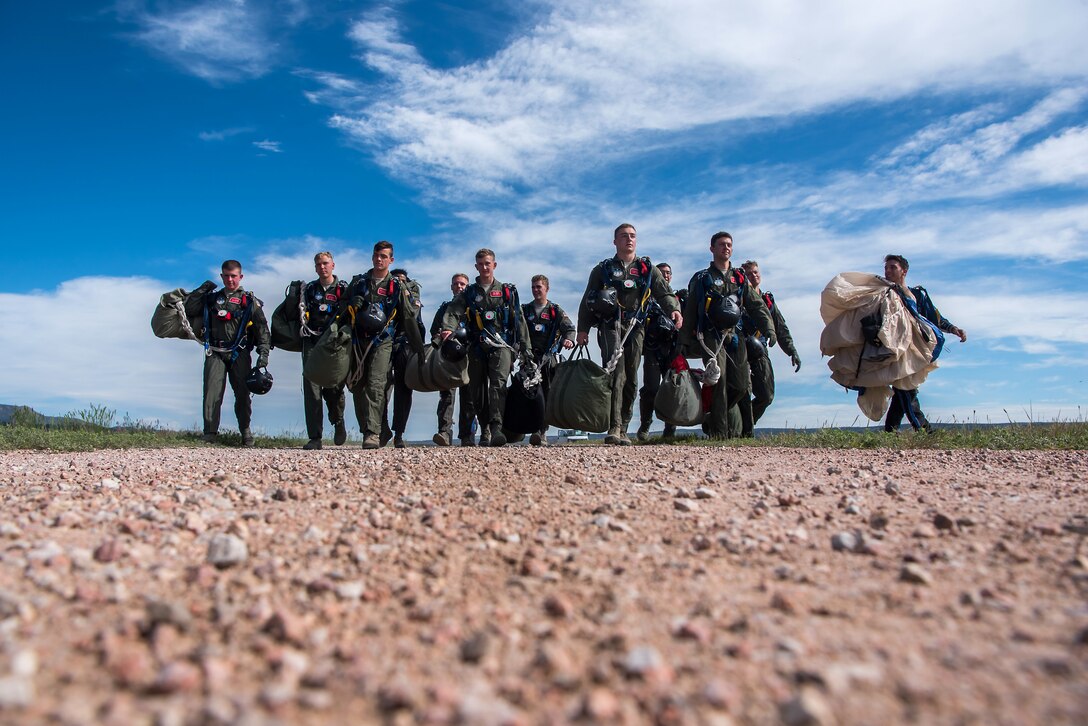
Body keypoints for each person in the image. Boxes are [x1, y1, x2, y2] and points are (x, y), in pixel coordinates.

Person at [576, 224, 682, 445]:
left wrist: (674, 309)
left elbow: (664, 292)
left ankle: (624, 426)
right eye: (623, 236)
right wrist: (582, 329)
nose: (629, 240)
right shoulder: (603, 269)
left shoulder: (646, 269)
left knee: (632, 378)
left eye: (632, 236)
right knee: (617, 374)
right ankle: (614, 427)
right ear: (615, 241)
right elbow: (587, 300)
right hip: (610, 326)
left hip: (636, 327)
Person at [680, 232, 775, 439]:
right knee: (719, 383)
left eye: (729, 244)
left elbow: (757, 306)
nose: (726, 248)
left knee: (741, 386)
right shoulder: (702, 278)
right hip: (711, 336)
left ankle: (712, 417)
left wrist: (769, 329)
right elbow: (690, 311)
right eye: (721, 244)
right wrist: (684, 341)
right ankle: (719, 433)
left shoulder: (739, 278)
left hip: (735, 336)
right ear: (712, 248)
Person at [439, 248, 531, 447]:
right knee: (477, 390)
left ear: (494, 265)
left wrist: (526, 349)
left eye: (487, 263)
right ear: (476, 267)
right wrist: (447, 328)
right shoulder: (470, 292)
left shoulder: (507, 291)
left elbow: (519, 321)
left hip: (501, 345)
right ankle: (485, 427)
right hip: (477, 346)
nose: (484, 267)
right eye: (480, 264)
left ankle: (497, 427)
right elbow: (454, 311)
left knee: (498, 384)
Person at [345, 241, 424, 449]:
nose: (379, 259)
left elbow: (408, 318)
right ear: (372, 257)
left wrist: (419, 349)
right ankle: (379, 428)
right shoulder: (359, 283)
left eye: (384, 256)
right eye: (377, 255)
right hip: (358, 341)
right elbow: (342, 312)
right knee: (357, 387)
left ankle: (371, 433)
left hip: (383, 341)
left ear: (391, 260)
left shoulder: (396, 287)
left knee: (376, 384)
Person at [881, 254, 967, 433]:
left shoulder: (917, 294)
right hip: (896, 351)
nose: (887, 271)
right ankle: (924, 431)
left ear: (904, 271)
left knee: (903, 389)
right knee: (905, 388)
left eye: (892, 267)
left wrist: (953, 329)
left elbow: (934, 318)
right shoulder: (883, 295)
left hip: (916, 351)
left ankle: (890, 432)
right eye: (886, 267)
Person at [201, 259, 270, 446]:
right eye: (227, 276)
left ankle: (245, 432)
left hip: (239, 353)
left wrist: (263, 357)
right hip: (215, 351)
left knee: (242, 393)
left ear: (241, 277)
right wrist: (201, 290)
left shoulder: (249, 301)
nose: (230, 280)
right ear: (221, 276)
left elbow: (262, 330)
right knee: (212, 393)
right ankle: (210, 433)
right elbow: (190, 310)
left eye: (234, 276)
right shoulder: (211, 299)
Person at [737, 260, 801, 436]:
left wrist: (791, 350)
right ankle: (745, 433)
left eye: (756, 272)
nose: (753, 276)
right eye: (748, 274)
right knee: (743, 391)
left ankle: (743, 425)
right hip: (739, 350)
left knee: (766, 395)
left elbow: (780, 328)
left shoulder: (768, 301)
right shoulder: (737, 298)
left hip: (760, 350)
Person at [300, 252, 349, 450]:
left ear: (333, 265)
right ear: (315, 267)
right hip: (312, 340)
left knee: (333, 387)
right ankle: (315, 437)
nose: (322, 267)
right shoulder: (309, 289)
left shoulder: (343, 289)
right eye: (319, 264)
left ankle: (338, 421)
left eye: (326, 263)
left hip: (333, 343)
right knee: (311, 390)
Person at [522, 274, 576, 446]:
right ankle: (529, 428)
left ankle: (541, 432)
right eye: (533, 287)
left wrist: (569, 339)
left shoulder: (555, 310)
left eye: (539, 287)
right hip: (529, 359)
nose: (536, 290)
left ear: (547, 289)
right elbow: (516, 330)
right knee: (528, 394)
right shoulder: (525, 310)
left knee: (546, 394)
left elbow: (569, 328)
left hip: (548, 359)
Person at [637, 262, 685, 441]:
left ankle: (670, 427)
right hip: (653, 348)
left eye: (668, 273)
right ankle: (645, 424)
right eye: (661, 272)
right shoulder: (647, 299)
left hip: (673, 350)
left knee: (672, 388)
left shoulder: (679, 299)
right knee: (651, 388)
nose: (665, 275)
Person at [430, 273, 479, 447]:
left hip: (469, 356)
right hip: (449, 358)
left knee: (469, 397)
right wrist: (441, 336)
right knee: (446, 395)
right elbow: (434, 330)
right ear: (451, 287)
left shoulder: (473, 308)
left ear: (468, 287)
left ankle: (467, 436)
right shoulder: (445, 308)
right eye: (456, 284)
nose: (459, 287)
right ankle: (444, 432)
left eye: (463, 284)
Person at [382, 268, 425, 448]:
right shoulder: (384, 292)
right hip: (383, 341)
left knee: (403, 390)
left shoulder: (412, 292)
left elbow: (412, 313)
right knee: (380, 388)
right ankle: (381, 429)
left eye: (402, 279)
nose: (399, 281)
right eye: (395, 279)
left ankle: (398, 433)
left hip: (404, 343)